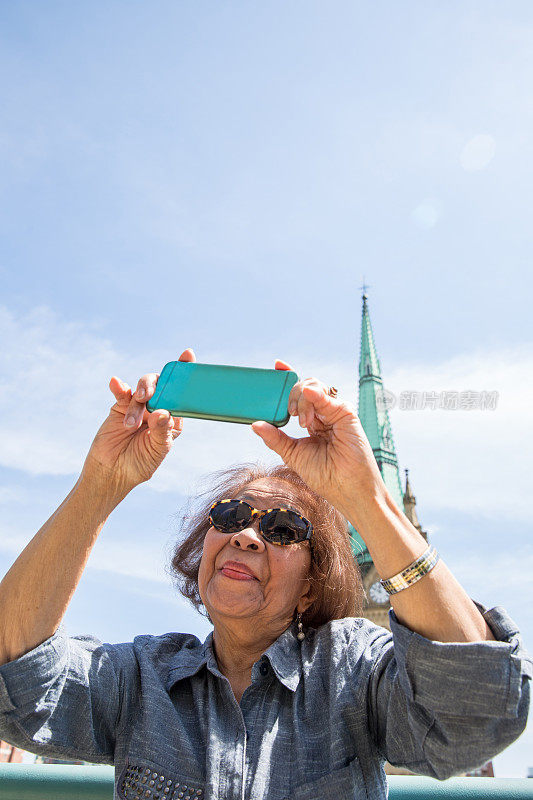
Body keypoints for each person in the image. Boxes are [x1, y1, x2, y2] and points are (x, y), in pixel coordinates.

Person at [0, 348, 530, 800]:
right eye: (230, 516)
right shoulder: (142, 678)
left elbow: (477, 705)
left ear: (311, 586)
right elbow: (15, 683)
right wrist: (101, 483)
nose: (246, 535)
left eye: (280, 528)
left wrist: (364, 498)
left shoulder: (353, 671)